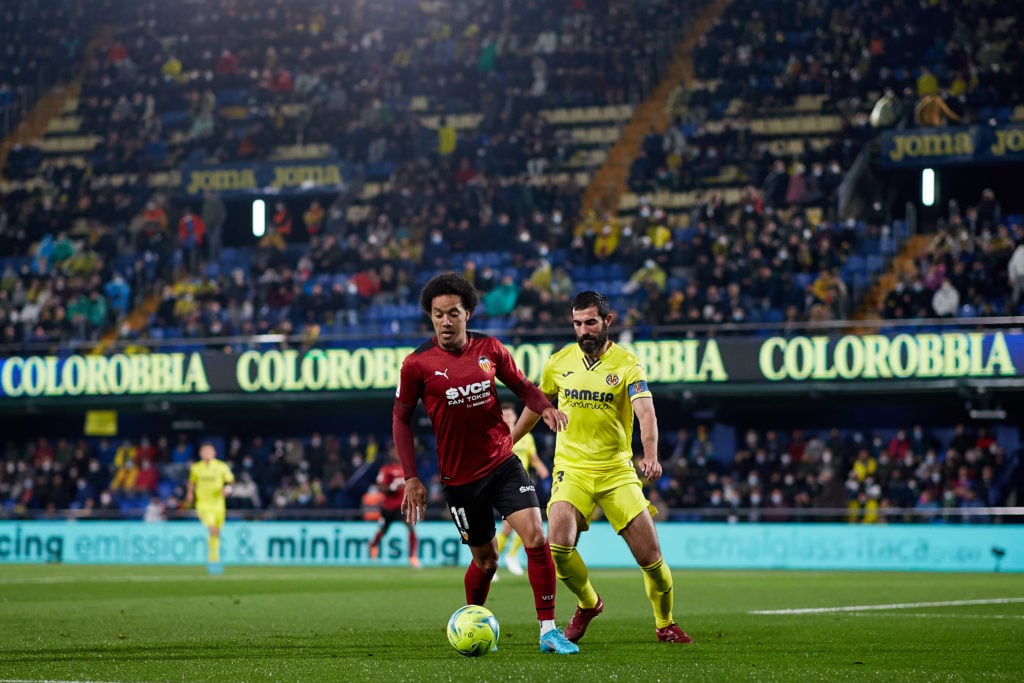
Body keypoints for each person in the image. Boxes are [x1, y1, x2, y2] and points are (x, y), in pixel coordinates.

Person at [392, 272, 579, 655]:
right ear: (431, 316)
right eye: (438, 314)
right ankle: (473, 620)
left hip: (503, 462)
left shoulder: (490, 349)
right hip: (460, 479)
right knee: (487, 560)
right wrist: (411, 476)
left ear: (468, 314)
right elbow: (400, 419)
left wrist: (544, 407)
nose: (445, 321)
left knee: (536, 537)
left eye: (453, 313)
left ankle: (548, 631)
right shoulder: (417, 364)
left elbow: (524, 385)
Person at [512, 290, 693, 644]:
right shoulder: (558, 362)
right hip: (572, 468)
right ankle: (588, 603)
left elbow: (646, 413)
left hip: (616, 471)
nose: (584, 331)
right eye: (577, 323)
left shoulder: (628, 364)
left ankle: (665, 622)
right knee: (559, 547)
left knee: (652, 560)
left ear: (607, 321)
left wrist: (651, 454)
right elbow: (536, 402)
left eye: (591, 322)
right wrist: (509, 440)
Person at [495, 403, 550, 577]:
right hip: (503, 485)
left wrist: (541, 468)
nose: (508, 418)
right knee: (515, 526)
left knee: (517, 525)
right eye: (504, 415)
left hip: (522, 484)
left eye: (510, 415)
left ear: (516, 417)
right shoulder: (497, 436)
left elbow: (532, 458)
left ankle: (501, 559)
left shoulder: (526, 437)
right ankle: (502, 558)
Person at [185, 442, 235, 574]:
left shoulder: (221, 466)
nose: (207, 454)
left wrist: (227, 489)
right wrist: (189, 494)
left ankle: (213, 558)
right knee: (212, 530)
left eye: (209, 451)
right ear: (200, 454)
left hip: (219, 504)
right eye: (204, 451)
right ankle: (213, 560)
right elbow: (191, 482)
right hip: (203, 504)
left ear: (214, 453)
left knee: (216, 532)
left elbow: (231, 481)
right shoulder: (196, 468)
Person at [368, 446, 420, 568]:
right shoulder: (386, 470)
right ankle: (373, 545)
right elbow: (380, 487)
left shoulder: (407, 470)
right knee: (383, 530)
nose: (396, 454)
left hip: (401, 506)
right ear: (390, 454)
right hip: (387, 507)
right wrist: (393, 487)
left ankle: (412, 557)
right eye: (394, 452)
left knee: (411, 528)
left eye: (398, 451)